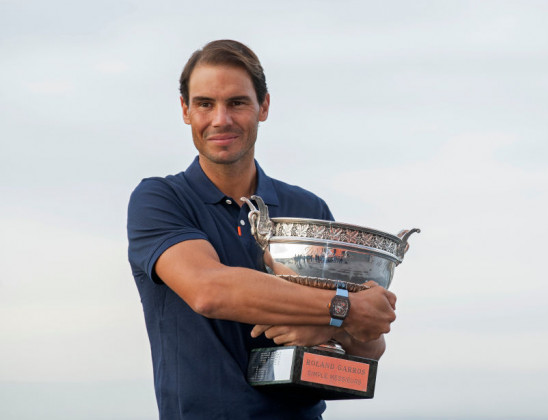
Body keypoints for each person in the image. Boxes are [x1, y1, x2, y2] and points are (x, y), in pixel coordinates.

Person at [127, 40, 397, 419]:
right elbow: (209, 290)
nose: (221, 119)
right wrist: (341, 310)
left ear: (263, 107)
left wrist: (328, 329)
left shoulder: (308, 209)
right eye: (205, 103)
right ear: (186, 111)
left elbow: (369, 345)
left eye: (237, 102)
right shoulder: (160, 199)